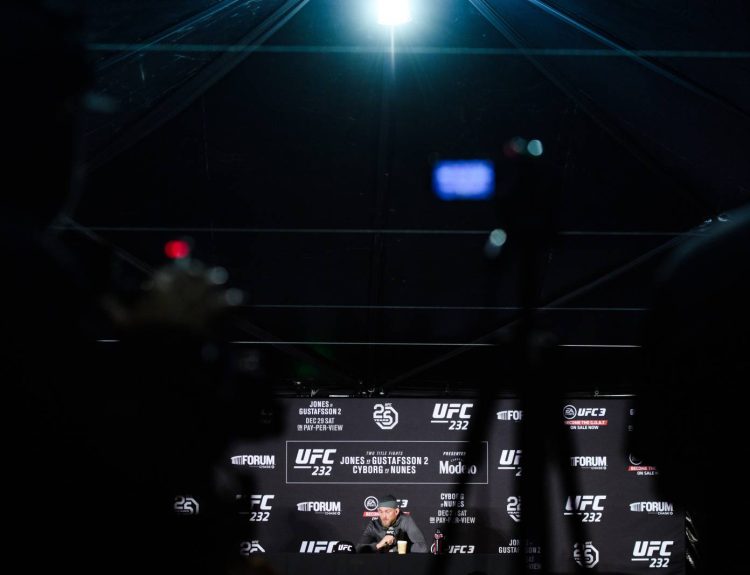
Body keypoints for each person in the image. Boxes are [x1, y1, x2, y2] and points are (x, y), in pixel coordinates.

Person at [356, 495, 428, 553]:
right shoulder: (374, 525)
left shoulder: (405, 521)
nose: (384, 516)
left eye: (387, 511)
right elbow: (358, 549)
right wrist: (380, 544)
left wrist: (399, 547)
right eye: (381, 511)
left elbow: (422, 547)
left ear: (396, 511)